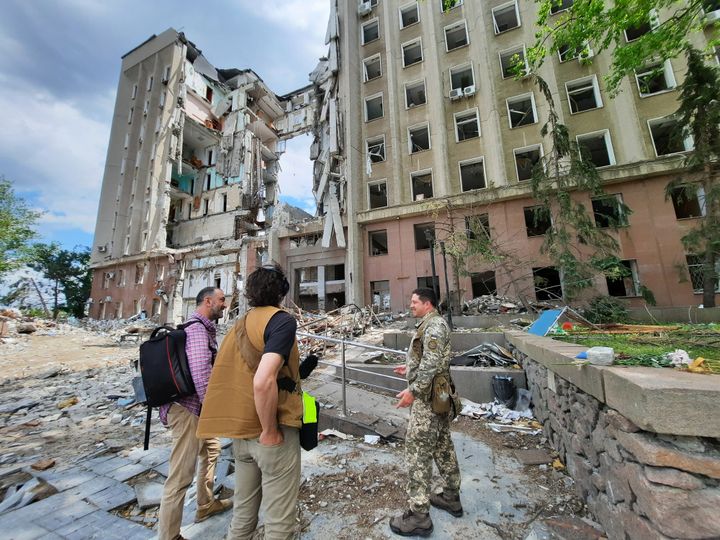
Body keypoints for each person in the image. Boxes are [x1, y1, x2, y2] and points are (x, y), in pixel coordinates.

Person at [197, 264, 304, 539]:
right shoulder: (281, 320)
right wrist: (269, 430)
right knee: (279, 521)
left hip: (241, 435)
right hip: (269, 432)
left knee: (243, 512)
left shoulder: (240, 325)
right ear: (281, 293)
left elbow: (248, 373)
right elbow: (263, 380)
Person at [157, 287, 232, 540]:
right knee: (180, 475)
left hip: (196, 408)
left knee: (212, 449)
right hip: (187, 411)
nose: (225, 304)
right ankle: (169, 535)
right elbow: (202, 375)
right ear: (208, 301)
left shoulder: (199, 328)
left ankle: (205, 504)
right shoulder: (198, 331)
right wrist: (218, 410)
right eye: (221, 300)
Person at [390, 288, 462, 537]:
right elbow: (430, 358)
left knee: (418, 452)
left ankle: (419, 516)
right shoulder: (431, 324)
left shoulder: (434, 326)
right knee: (442, 445)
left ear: (427, 304)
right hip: (439, 395)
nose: (411, 305)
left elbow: (431, 363)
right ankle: (451, 496)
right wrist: (409, 366)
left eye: (414, 302)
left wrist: (413, 390)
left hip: (429, 397)